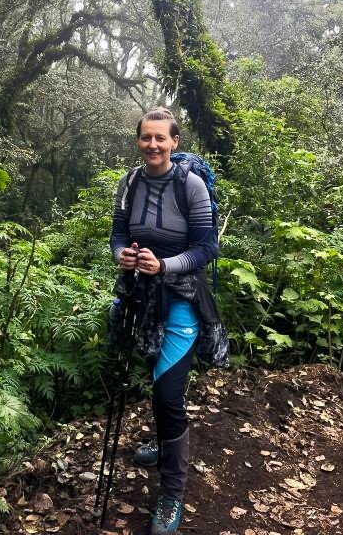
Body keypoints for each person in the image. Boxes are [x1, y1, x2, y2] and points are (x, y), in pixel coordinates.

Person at [110, 107, 228, 535]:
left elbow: (206, 249)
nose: (153, 145)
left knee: (167, 395)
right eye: (146, 137)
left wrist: (164, 265)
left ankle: (172, 493)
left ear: (175, 142)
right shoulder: (129, 183)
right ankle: (162, 447)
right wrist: (122, 256)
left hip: (181, 298)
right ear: (138, 140)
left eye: (161, 138)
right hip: (142, 299)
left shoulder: (190, 185)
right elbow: (117, 235)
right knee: (154, 378)